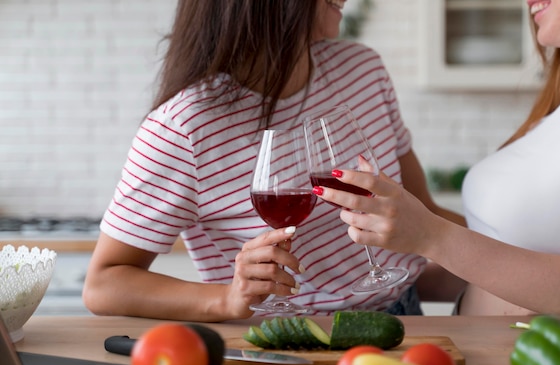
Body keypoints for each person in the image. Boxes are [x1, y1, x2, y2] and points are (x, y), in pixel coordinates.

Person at [82, 0, 463, 322]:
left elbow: (425, 215)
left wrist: (513, 256)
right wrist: (226, 299)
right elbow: (105, 284)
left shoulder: (363, 70)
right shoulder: (184, 127)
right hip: (288, 342)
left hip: (405, 320)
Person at [313, 0, 560, 316]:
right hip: (477, 355)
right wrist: (340, 282)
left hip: (523, 361)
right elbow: (512, 266)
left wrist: (431, 236)